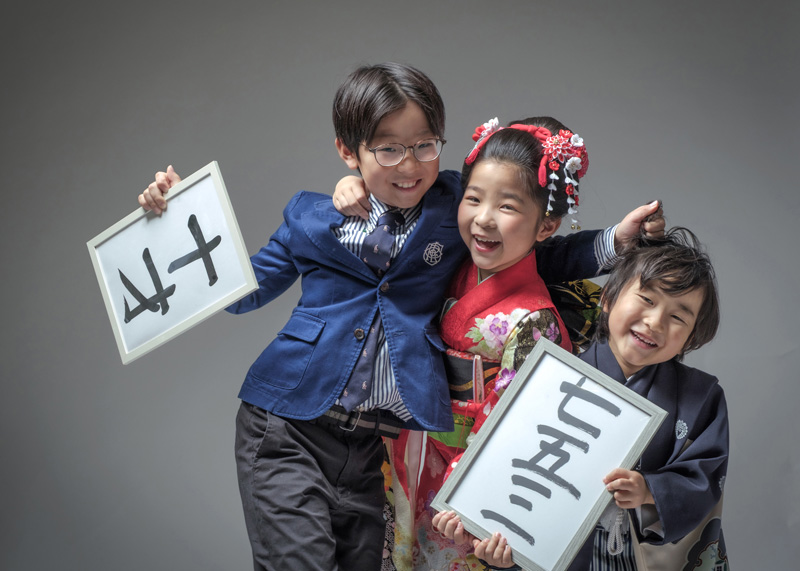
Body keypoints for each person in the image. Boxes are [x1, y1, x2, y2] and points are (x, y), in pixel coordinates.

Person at [139, 63, 659, 571]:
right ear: (348, 152)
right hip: (288, 422)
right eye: (388, 149)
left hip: (373, 447)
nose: (409, 165)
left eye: (424, 146)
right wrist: (181, 220)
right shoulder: (311, 216)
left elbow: (534, 251)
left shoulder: (457, 206)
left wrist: (615, 241)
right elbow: (239, 292)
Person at [433, 227, 729, 571]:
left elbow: (704, 477)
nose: (655, 322)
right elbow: (511, 467)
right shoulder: (549, 378)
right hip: (562, 551)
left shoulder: (701, 396)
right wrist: (487, 535)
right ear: (608, 299)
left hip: (639, 556)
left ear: (692, 336)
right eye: (646, 299)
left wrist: (649, 490)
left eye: (678, 317)